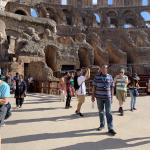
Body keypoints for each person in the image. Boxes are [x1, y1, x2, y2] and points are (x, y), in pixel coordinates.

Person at [91, 65, 116, 136]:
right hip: (99, 97)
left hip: (108, 97)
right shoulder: (96, 77)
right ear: (101, 69)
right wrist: (93, 96)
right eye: (103, 68)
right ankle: (102, 125)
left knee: (108, 112)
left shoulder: (110, 77)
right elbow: (94, 87)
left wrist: (112, 97)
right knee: (101, 112)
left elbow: (112, 87)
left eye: (106, 68)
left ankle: (110, 128)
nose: (105, 69)